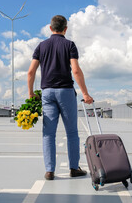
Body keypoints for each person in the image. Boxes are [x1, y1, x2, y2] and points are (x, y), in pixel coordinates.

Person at [27, 15, 93, 180]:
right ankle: (73, 168)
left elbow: (30, 72)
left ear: (50, 28)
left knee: (48, 133)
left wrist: (30, 93)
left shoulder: (41, 46)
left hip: (47, 92)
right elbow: (76, 70)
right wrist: (85, 93)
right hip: (65, 91)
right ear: (66, 28)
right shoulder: (69, 45)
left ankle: (50, 171)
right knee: (72, 132)